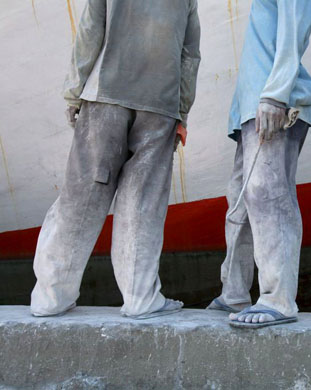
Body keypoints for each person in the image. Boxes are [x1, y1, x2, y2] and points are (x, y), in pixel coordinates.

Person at [30, 0, 201, 319]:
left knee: (80, 198)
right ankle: (140, 298)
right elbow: (190, 55)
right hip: (159, 106)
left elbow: (91, 29)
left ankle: (51, 297)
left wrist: (74, 91)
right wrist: (182, 113)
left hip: (105, 96)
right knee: (142, 203)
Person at [206, 0, 311, 328]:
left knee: (268, 196)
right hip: (252, 107)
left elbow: (294, 29)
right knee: (241, 203)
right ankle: (234, 291)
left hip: (272, 101)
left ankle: (279, 299)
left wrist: (275, 95)